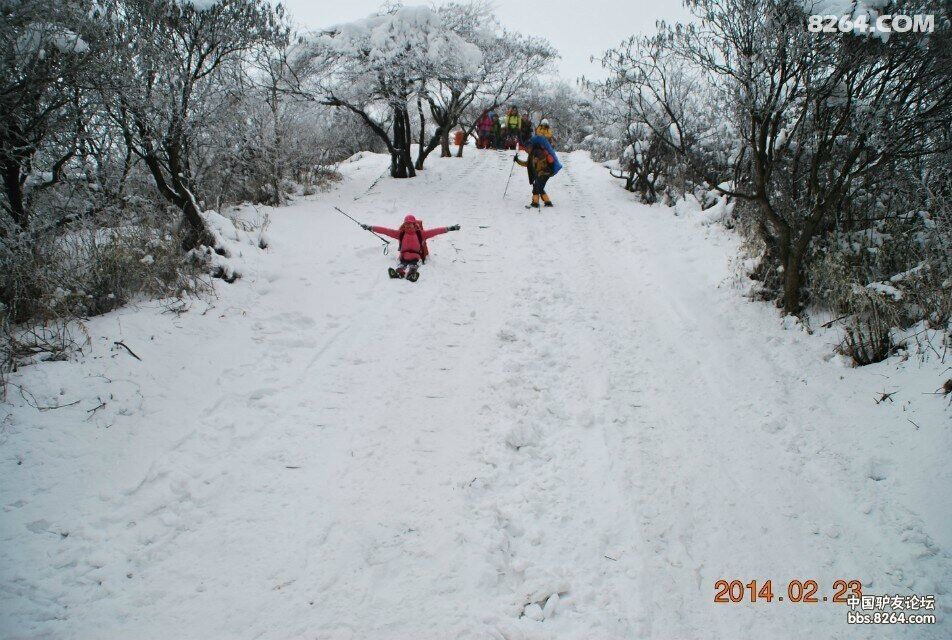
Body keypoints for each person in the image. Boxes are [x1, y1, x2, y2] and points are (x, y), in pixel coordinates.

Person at [361, 215, 460, 281]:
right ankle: (399, 272)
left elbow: (436, 231)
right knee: (401, 265)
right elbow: (386, 231)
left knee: (414, 265)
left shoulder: (421, 234)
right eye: (406, 224)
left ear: (414, 224)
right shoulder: (400, 234)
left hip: (416, 257)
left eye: (410, 224)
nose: (408, 226)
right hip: (403, 256)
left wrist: (449, 228)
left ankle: (412, 274)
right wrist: (371, 227)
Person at [514, 135, 561, 208]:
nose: (526, 150)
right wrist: (517, 160)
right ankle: (547, 202)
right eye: (526, 149)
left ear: (530, 146)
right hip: (541, 173)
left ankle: (535, 203)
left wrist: (537, 166)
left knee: (536, 188)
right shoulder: (531, 154)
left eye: (527, 148)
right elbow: (527, 164)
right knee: (540, 187)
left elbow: (543, 162)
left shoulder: (538, 152)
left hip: (544, 173)